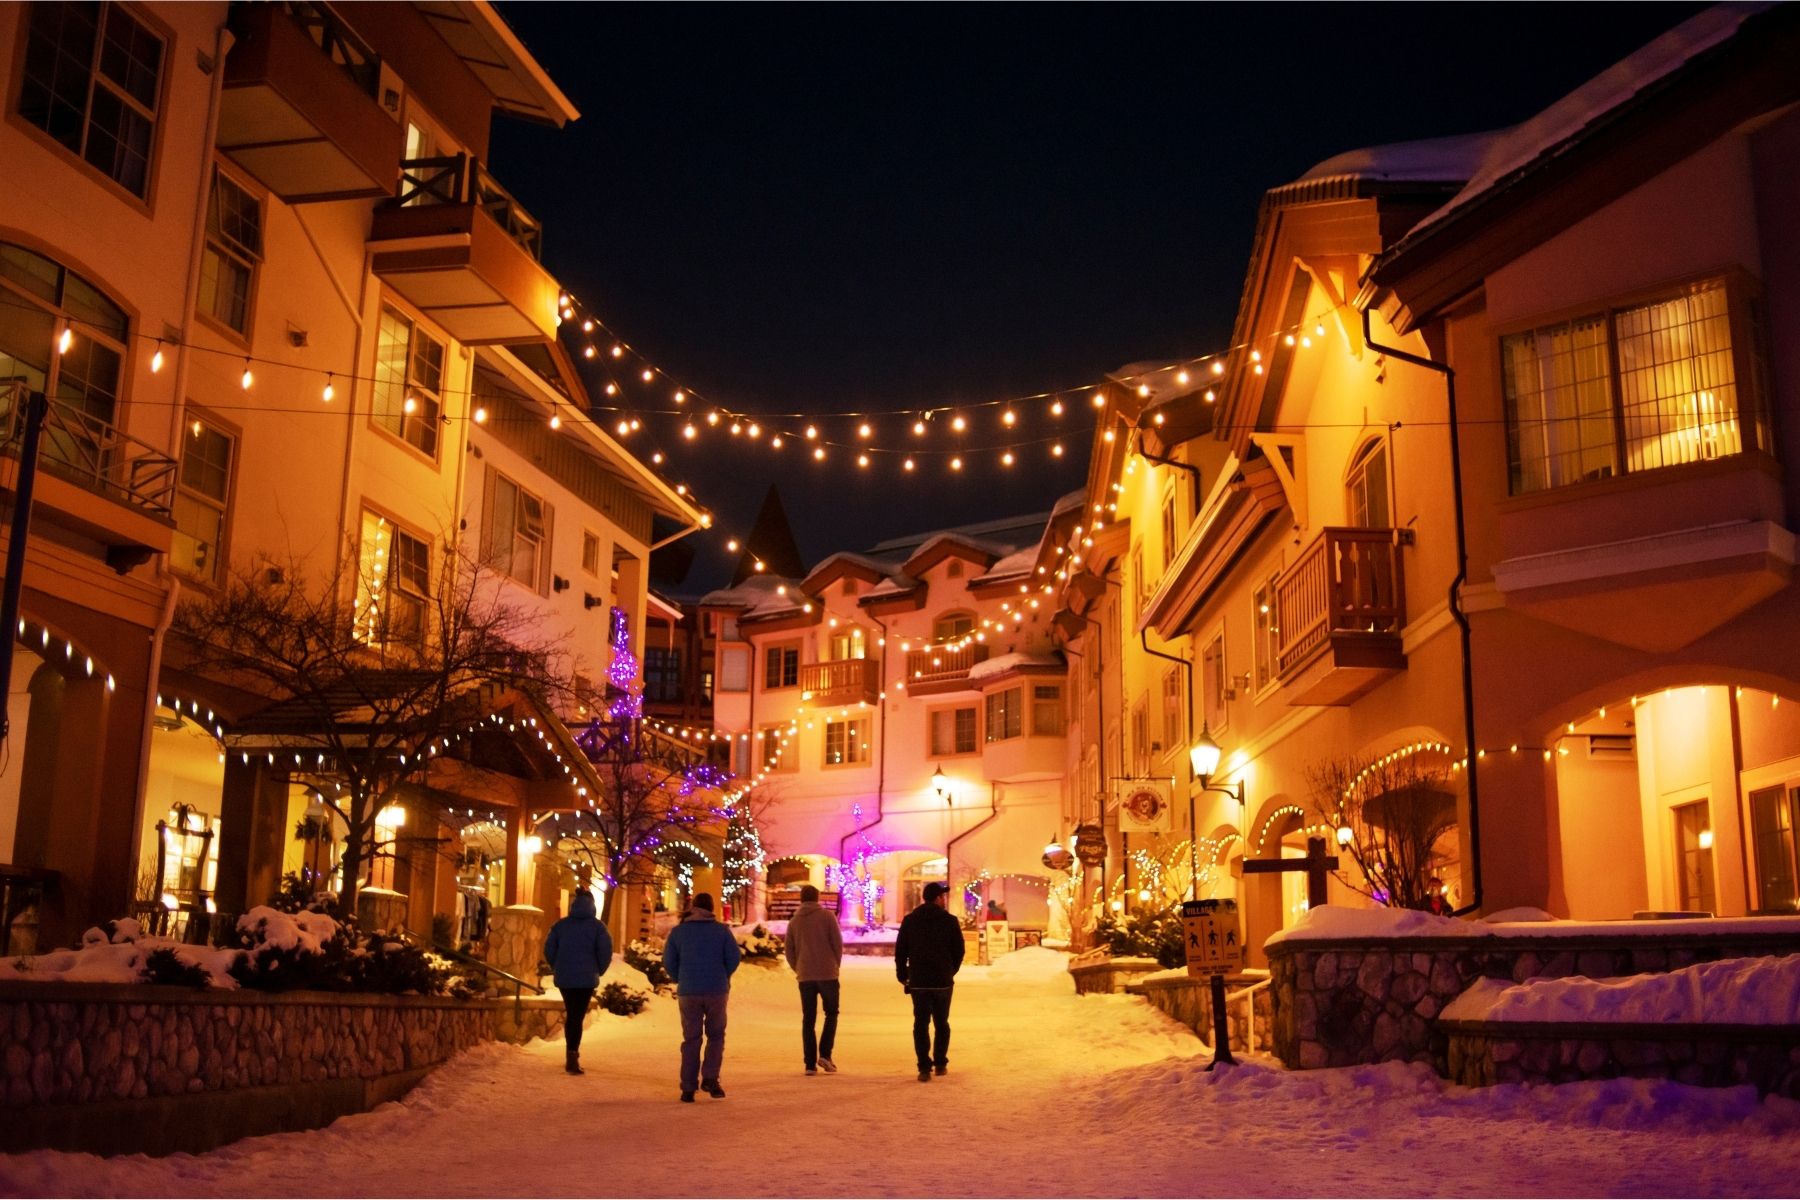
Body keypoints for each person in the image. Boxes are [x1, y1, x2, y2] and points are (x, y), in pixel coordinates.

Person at [661, 891, 741, 1102]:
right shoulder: (721, 932)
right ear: (711, 909)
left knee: (691, 1038)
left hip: (689, 992)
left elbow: (669, 961)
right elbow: (733, 958)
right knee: (716, 1036)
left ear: (693, 907)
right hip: (716, 990)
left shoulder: (678, 932)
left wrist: (681, 977)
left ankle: (688, 1087)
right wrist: (724, 975)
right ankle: (711, 1079)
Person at [894, 880, 964, 1082]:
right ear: (937, 898)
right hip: (942, 980)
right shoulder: (949, 921)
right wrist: (951, 971)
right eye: (943, 896)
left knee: (921, 1023)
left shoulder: (910, 920)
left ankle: (924, 1067)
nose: (944, 899)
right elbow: (959, 950)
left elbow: (901, 951)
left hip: (919, 980)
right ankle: (940, 1063)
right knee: (942, 1022)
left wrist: (903, 974)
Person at [542, 890, 613, 1076]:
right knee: (576, 1016)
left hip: (565, 978)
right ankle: (572, 1056)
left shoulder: (561, 925)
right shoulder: (598, 928)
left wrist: (557, 966)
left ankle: (570, 1053)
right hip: (586, 979)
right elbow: (605, 952)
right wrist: (598, 969)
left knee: (572, 1013)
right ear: (592, 905)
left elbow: (549, 949)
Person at [783, 883, 844, 1075]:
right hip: (827, 974)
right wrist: (835, 964)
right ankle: (825, 1054)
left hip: (806, 975)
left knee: (808, 1019)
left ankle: (809, 1063)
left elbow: (789, 950)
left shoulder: (794, 921)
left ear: (801, 899)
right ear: (817, 898)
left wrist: (798, 967)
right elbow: (837, 943)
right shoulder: (827, 917)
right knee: (831, 1013)